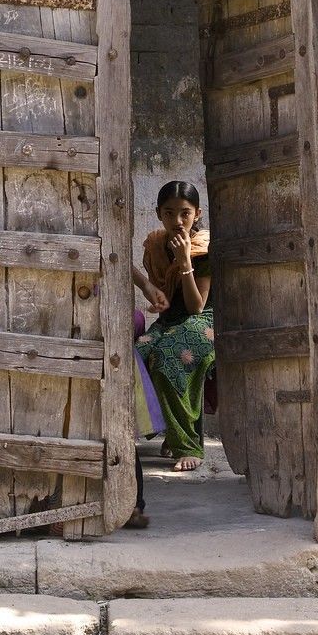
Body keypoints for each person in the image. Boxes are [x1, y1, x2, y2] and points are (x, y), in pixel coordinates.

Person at [133, 181, 214, 472]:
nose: (177, 221)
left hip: (204, 319)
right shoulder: (156, 245)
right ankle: (168, 427)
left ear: (197, 213)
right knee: (136, 355)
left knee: (168, 358)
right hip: (170, 320)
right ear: (158, 213)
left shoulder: (202, 248)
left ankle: (187, 444)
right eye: (169, 213)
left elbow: (197, 306)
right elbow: (158, 291)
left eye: (185, 213)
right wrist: (154, 296)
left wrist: (185, 262)